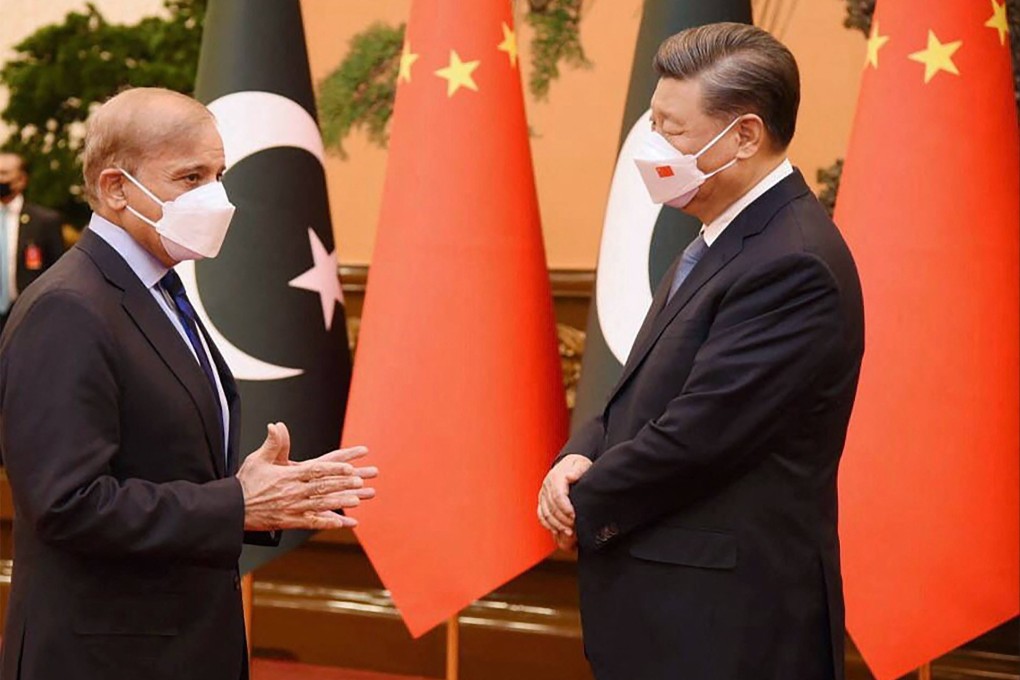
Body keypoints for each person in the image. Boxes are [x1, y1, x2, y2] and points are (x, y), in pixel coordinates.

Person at [0, 88, 377, 680]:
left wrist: (253, 489)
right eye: (190, 176)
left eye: (219, 174)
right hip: (107, 656)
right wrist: (237, 503)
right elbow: (67, 506)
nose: (216, 197)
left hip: (181, 643)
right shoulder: (69, 308)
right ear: (115, 188)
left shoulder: (160, 289)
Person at [538, 23, 864, 680]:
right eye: (652, 122)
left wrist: (581, 498)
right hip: (673, 611)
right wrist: (578, 452)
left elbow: (702, 431)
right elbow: (641, 387)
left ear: (745, 134)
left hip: (727, 625)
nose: (655, 147)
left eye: (673, 130)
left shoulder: (791, 261)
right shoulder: (722, 237)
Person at [0, 152, 66, 332]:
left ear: (21, 180)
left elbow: (58, 271)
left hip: (27, 316)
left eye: (4, 173)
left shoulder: (44, 221)